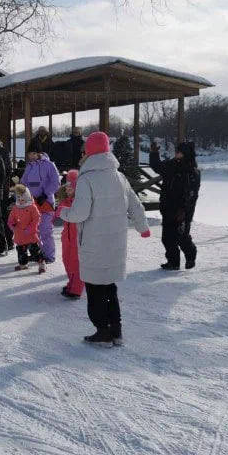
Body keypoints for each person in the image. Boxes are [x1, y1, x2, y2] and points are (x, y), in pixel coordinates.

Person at [60, 132, 151, 347]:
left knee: (94, 289)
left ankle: (102, 331)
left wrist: (63, 212)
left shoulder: (87, 178)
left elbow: (79, 214)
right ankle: (116, 330)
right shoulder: (119, 177)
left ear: (88, 152)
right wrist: (142, 227)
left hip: (94, 243)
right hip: (116, 244)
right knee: (109, 287)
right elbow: (135, 204)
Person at [149, 141, 200, 270]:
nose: (177, 154)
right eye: (176, 152)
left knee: (182, 237)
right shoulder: (171, 165)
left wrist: (184, 210)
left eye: (179, 152)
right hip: (168, 207)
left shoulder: (192, 171)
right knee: (167, 238)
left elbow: (191, 194)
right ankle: (173, 262)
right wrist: (154, 153)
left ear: (186, 153)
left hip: (183, 211)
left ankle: (191, 256)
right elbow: (157, 166)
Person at [20, 142, 61, 262]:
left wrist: (45, 194)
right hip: (32, 203)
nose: (31, 156)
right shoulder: (29, 166)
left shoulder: (49, 165)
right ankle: (36, 253)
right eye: (29, 154)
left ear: (38, 153)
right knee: (33, 230)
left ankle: (49, 255)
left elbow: (55, 182)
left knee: (45, 230)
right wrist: (21, 194)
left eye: (33, 153)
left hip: (45, 202)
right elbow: (24, 183)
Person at [55, 170, 84, 299]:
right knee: (67, 261)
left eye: (70, 188)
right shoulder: (64, 201)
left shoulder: (81, 203)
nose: (67, 191)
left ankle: (76, 290)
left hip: (77, 237)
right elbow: (57, 214)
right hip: (66, 237)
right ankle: (71, 284)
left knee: (76, 263)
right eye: (66, 188)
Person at [8, 185, 45, 273]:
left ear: (27, 199)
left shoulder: (32, 207)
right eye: (19, 200)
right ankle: (23, 264)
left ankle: (41, 263)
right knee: (21, 250)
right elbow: (11, 218)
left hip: (30, 234)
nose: (21, 202)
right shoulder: (15, 208)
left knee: (35, 250)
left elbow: (37, 219)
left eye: (23, 200)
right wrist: (12, 224)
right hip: (20, 234)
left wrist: (31, 229)